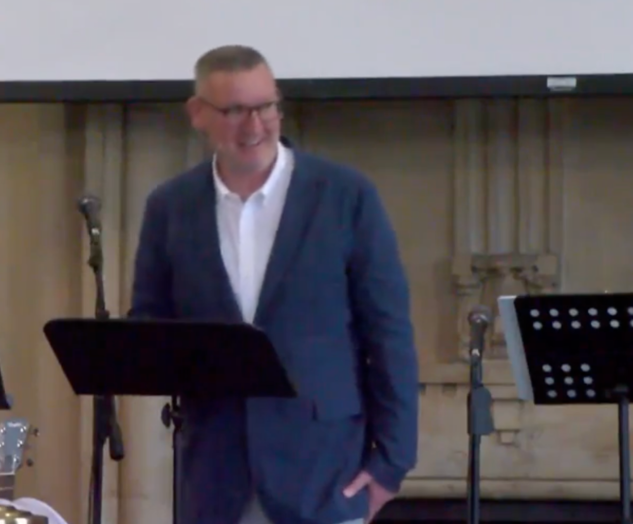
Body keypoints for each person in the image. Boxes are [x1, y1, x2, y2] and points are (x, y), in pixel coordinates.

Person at [128, 44, 419, 524]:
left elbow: (389, 333)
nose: (255, 126)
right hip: (215, 475)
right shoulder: (170, 206)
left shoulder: (345, 195)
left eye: (265, 107)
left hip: (324, 472)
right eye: (235, 111)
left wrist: (392, 463)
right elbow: (150, 321)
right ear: (198, 114)